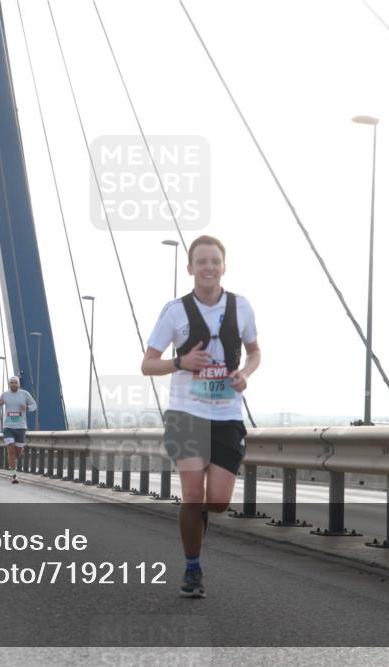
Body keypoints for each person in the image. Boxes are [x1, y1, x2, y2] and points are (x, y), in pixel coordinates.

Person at [141, 235, 260, 599]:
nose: (209, 267)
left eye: (215, 261)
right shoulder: (175, 311)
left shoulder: (242, 307)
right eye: (202, 262)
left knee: (218, 501)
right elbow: (148, 364)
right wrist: (180, 362)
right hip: (186, 414)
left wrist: (245, 374)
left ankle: (199, 522)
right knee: (193, 496)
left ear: (224, 267)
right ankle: (192, 567)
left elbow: (255, 352)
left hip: (227, 415)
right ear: (190, 268)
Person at [0, 375, 36, 484]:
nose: (13, 384)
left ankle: (13, 461)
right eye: (11, 382)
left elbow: (34, 406)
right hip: (8, 427)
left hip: (21, 427)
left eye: (15, 382)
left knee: (18, 453)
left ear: (18, 384)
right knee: (11, 450)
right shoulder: (5, 395)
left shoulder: (25, 394)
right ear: (9, 384)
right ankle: (14, 476)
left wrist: (27, 408)